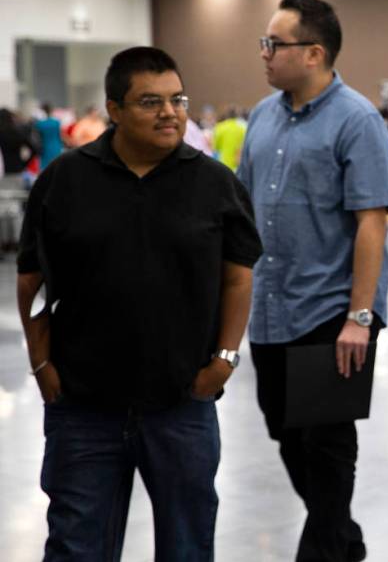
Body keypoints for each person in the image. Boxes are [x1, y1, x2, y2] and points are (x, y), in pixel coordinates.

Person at [16, 46, 262, 562]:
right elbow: (33, 280)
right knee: (76, 546)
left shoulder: (214, 183)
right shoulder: (66, 180)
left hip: (181, 405)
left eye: (178, 99)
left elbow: (238, 278)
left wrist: (224, 359)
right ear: (114, 109)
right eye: (151, 101)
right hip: (84, 408)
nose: (170, 112)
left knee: (188, 545)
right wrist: (41, 362)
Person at [239, 0, 388, 562]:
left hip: (333, 312)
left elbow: (371, 224)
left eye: (273, 44)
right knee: (285, 435)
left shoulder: (357, 120)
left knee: (326, 448)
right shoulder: (262, 115)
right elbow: (242, 209)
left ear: (313, 53)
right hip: (271, 309)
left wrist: (359, 317)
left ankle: (328, 551)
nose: (264, 54)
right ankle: (345, 543)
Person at [34, 103, 63, 170]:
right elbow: (59, 135)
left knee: (45, 168)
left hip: (45, 147)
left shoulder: (39, 124)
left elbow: (36, 138)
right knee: (56, 167)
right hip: (56, 146)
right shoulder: (56, 122)